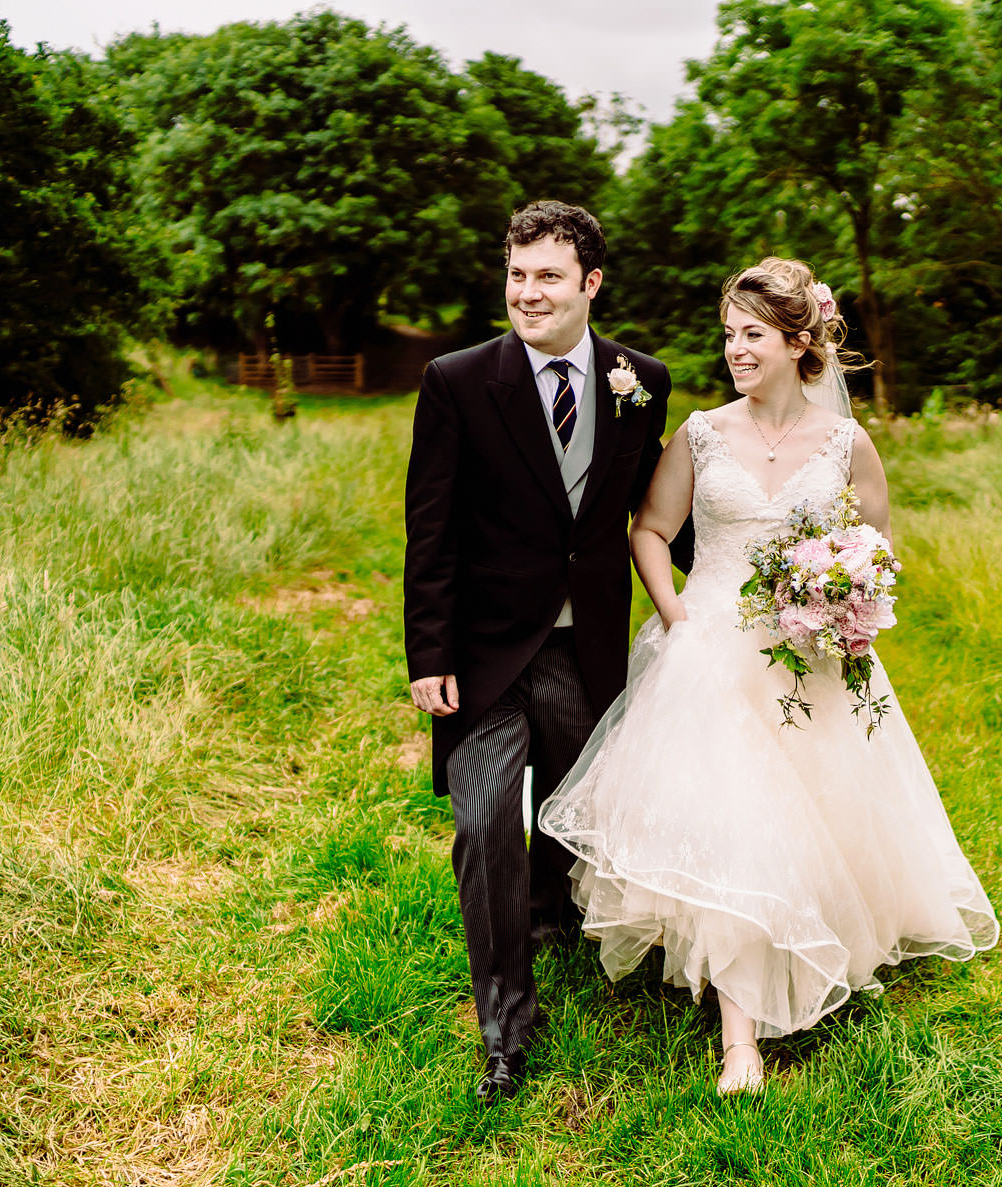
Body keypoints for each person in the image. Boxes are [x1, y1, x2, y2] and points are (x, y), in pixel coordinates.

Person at [538, 258, 999, 1095]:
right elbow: (651, 530)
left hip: (813, 655)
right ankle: (739, 1041)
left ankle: (820, 937)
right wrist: (680, 617)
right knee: (733, 820)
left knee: (819, 818)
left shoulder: (847, 442)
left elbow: (878, 547)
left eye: (751, 335)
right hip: (711, 645)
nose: (734, 351)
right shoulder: (703, 433)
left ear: (797, 342)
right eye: (728, 335)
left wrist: (846, 600)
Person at [403, 200, 677, 1103]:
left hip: (583, 643)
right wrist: (428, 652)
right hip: (481, 654)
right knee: (486, 825)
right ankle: (505, 1026)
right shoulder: (456, 379)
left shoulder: (641, 378)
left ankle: (556, 918)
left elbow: (653, 509)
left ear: (591, 283)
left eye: (549, 275)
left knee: (574, 808)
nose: (528, 292)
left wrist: (727, 599)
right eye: (517, 274)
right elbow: (430, 529)